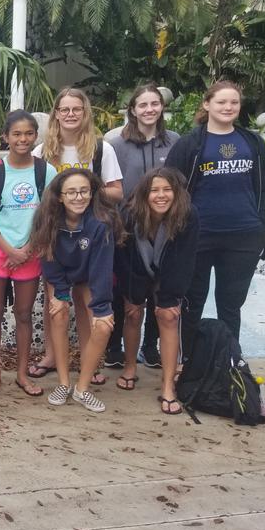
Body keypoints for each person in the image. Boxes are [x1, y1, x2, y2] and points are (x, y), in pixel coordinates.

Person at [165, 81, 265, 357]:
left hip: (243, 237)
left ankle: (228, 363)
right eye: (221, 102)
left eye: (234, 103)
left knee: (230, 305)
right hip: (198, 236)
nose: (228, 107)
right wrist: (178, 226)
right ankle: (188, 363)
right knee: (192, 302)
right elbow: (170, 187)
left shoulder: (252, 141)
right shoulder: (189, 144)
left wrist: (262, 224)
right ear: (207, 104)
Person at [29, 87, 123, 383]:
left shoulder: (100, 148)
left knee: (87, 301)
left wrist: (81, 193)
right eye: (64, 109)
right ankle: (52, 356)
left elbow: (118, 191)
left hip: (91, 234)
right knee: (54, 300)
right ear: (56, 113)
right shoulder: (42, 150)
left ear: (85, 113)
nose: (70, 115)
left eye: (76, 109)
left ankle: (88, 360)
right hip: (56, 232)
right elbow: (35, 192)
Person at [0, 110, 56, 397]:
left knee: (24, 314)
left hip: (30, 251)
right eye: (17, 134)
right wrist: (11, 250)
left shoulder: (46, 171)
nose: (23, 139)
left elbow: (49, 216)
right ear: (6, 137)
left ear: (36, 136)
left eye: (28, 134)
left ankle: (21, 373)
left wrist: (27, 250)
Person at [30, 169, 125, 413]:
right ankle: (63, 382)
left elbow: (101, 270)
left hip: (90, 276)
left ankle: (82, 388)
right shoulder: (48, 219)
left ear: (92, 194)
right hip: (60, 275)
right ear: (60, 197)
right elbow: (49, 261)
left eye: (84, 191)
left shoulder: (100, 224)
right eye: (71, 192)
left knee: (104, 325)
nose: (78, 197)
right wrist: (60, 294)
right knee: (58, 312)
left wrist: (102, 308)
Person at [104, 85, 181, 370]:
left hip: (164, 228)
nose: (149, 110)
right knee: (124, 288)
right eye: (143, 105)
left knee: (158, 289)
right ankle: (115, 346)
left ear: (161, 107)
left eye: (155, 104)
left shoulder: (173, 141)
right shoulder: (116, 144)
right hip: (127, 227)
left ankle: (150, 346)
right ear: (133, 109)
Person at [115, 168, 199, 414]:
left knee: (169, 316)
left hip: (170, 270)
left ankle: (167, 386)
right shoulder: (130, 215)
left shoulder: (188, 216)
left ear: (176, 193)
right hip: (136, 269)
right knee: (132, 313)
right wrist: (133, 292)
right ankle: (130, 367)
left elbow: (185, 259)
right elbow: (123, 256)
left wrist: (169, 297)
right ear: (144, 194)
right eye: (154, 190)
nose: (160, 196)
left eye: (167, 190)